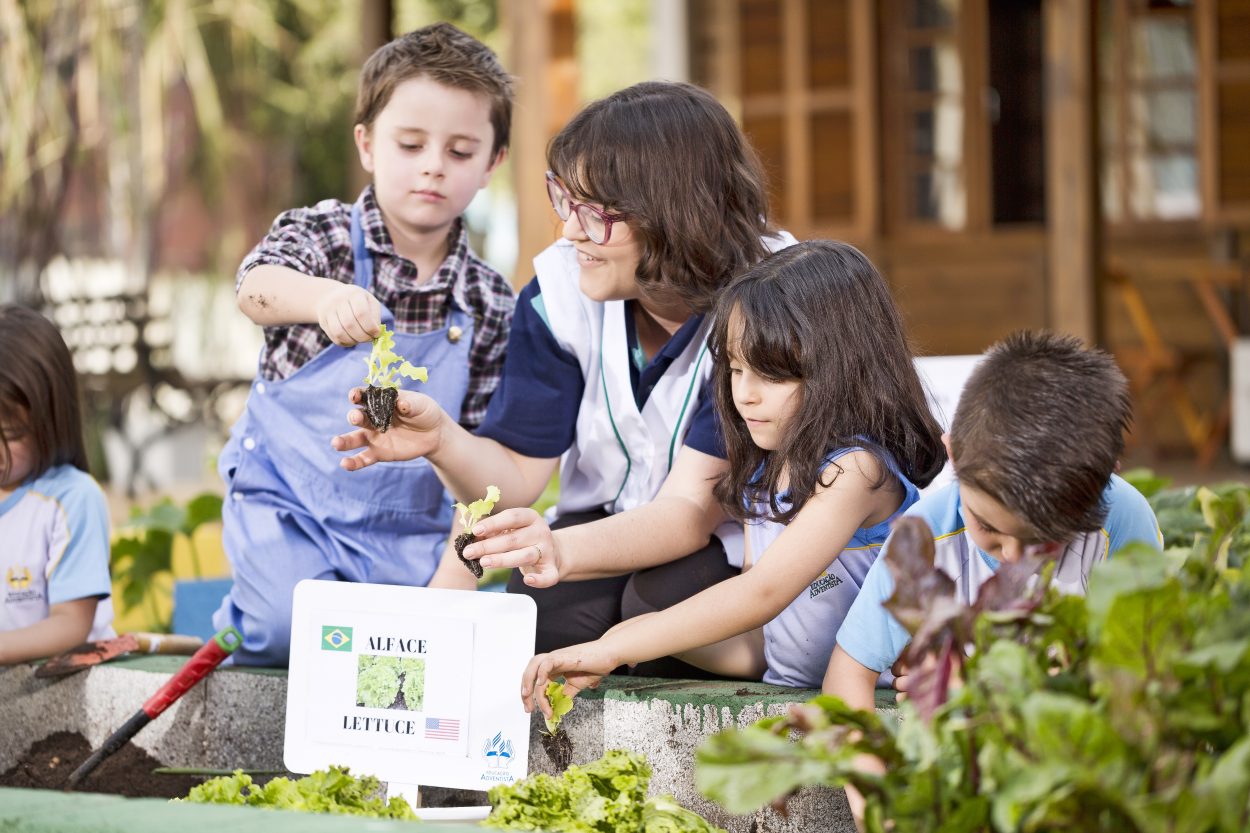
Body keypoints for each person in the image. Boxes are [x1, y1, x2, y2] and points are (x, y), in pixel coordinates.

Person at [333, 81, 794, 675]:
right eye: (563, 200)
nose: (570, 231)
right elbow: (519, 474)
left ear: (678, 213)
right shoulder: (557, 295)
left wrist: (556, 548)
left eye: (596, 214)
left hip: (734, 543)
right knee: (540, 615)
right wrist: (442, 440)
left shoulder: (770, 305)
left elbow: (688, 513)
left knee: (658, 609)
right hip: (603, 522)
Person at [509, 241, 945, 707]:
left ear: (845, 368)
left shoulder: (855, 470)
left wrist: (614, 646)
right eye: (736, 369)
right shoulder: (764, 466)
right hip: (787, 676)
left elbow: (763, 593)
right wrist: (608, 648)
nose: (745, 395)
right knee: (640, 612)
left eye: (773, 375)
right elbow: (768, 642)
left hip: (870, 688)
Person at [212, 22, 516, 666]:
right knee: (285, 628)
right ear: (368, 145)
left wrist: (450, 587)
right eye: (411, 144)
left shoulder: (491, 303)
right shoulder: (319, 234)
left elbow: (482, 471)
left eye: (461, 152)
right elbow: (253, 286)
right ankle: (247, 615)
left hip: (404, 535)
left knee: (395, 650)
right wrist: (320, 298)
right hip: (286, 505)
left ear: (493, 164)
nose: (434, 164)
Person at [823, 330, 1163, 825]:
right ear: (953, 456)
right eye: (988, 528)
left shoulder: (1123, 521)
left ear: (1102, 484)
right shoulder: (924, 539)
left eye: (1046, 540)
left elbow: (1143, 687)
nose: (1014, 558)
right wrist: (879, 810)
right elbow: (846, 680)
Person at [0, 305, 113, 665]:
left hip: (67, 699)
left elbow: (71, 625)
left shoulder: (71, 499)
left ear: (51, 421)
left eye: (11, 433)